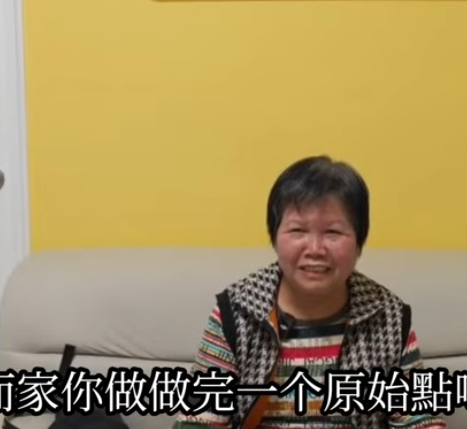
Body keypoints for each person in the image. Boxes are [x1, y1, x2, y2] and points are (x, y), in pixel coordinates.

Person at [173, 155, 448, 429]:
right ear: (275, 236)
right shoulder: (236, 312)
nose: (315, 249)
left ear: (359, 241)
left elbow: (419, 418)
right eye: (298, 230)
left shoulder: (388, 316)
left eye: (333, 232)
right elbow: (199, 418)